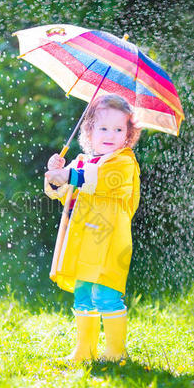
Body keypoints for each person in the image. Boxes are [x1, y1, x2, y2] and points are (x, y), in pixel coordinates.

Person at [44, 93, 141, 362]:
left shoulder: (123, 162)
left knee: (106, 294)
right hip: (83, 241)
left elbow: (100, 181)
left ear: (128, 135)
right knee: (83, 292)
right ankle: (84, 349)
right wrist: (55, 174)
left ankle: (115, 351)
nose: (111, 134)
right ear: (89, 130)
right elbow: (61, 192)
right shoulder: (82, 161)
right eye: (103, 128)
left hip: (109, 243)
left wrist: (70, 175)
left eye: (119, 129)